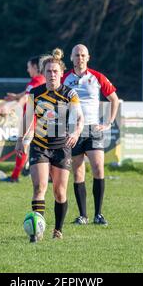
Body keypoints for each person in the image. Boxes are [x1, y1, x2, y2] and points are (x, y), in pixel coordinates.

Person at [16, 48, 84, 242]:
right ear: (43, 73)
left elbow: (79, 118)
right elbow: (27, 118)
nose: (52, 74)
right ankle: (37, 231)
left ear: (62, 73)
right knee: (39, 187)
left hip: (62, 146)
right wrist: (21, 139)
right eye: (48, 71)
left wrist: (77, 132)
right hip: (40, 145)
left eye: (55, 71)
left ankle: (58, 229)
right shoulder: (34, 93)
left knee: (60, 191)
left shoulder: (70, 94)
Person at [62, 44, 119, 226]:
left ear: (88, 57)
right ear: (71, 58)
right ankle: (83, 215)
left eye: (83, 55)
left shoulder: (97, 77)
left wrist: (108, 122)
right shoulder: (65, 78)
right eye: (77, 55)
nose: (80, 58)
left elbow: (114, 99)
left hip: (93, 130)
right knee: (78, 172)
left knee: (98, 168)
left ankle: (99, 214)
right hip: (73, 131)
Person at [0, 55, 46, 183]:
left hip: (32, 119)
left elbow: (27, 97)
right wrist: (15, 97)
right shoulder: (40, 80)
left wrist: (12, 108)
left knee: (22, 147)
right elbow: (25, 93)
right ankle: (36, 172)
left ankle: (15, 176)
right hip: (38, 119)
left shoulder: (37, 81)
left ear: (36, 67)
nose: (28, 70)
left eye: (29, 67)